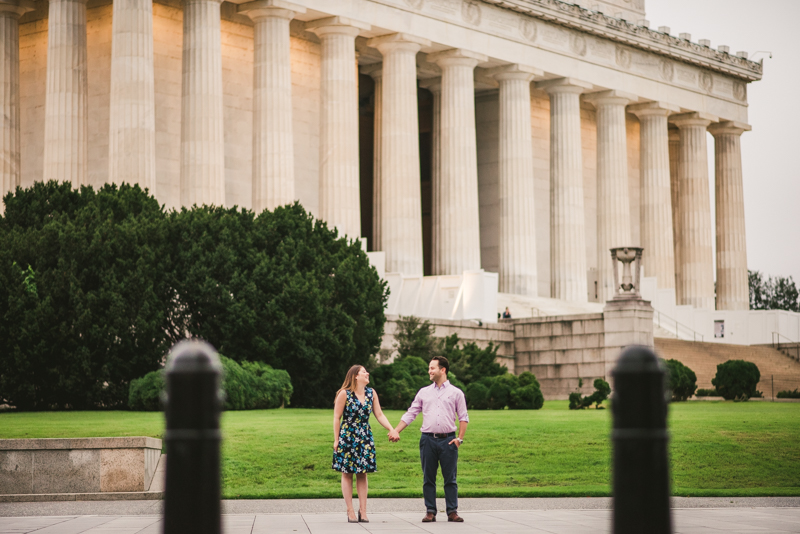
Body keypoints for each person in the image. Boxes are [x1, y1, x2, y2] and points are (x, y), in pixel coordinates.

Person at [388, 356, 469, 523]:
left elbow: (463, 417)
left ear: (443, 370)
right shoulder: (424, 392)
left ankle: (452, 511)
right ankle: (430, 511)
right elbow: (411, 413)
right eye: (429, 368)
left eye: (432, 368)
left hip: (449, 440)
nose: (429, 371)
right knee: (428, 478)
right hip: (428, 440)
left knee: (450, 478)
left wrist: (459, 439)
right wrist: (396, 430)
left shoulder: (456, 393)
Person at [332, 365, 394, 523]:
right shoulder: (344, 394)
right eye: (363, 372)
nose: (367, 374)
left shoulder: (371, 393)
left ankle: (363, 511)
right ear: (355, 376)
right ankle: (350, 510)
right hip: (347, 436)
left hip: (365, 436)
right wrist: (336, 439)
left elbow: (379, 414)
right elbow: (336, 417)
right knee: (347, 473)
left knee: (363, 472)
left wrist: (391, 428)